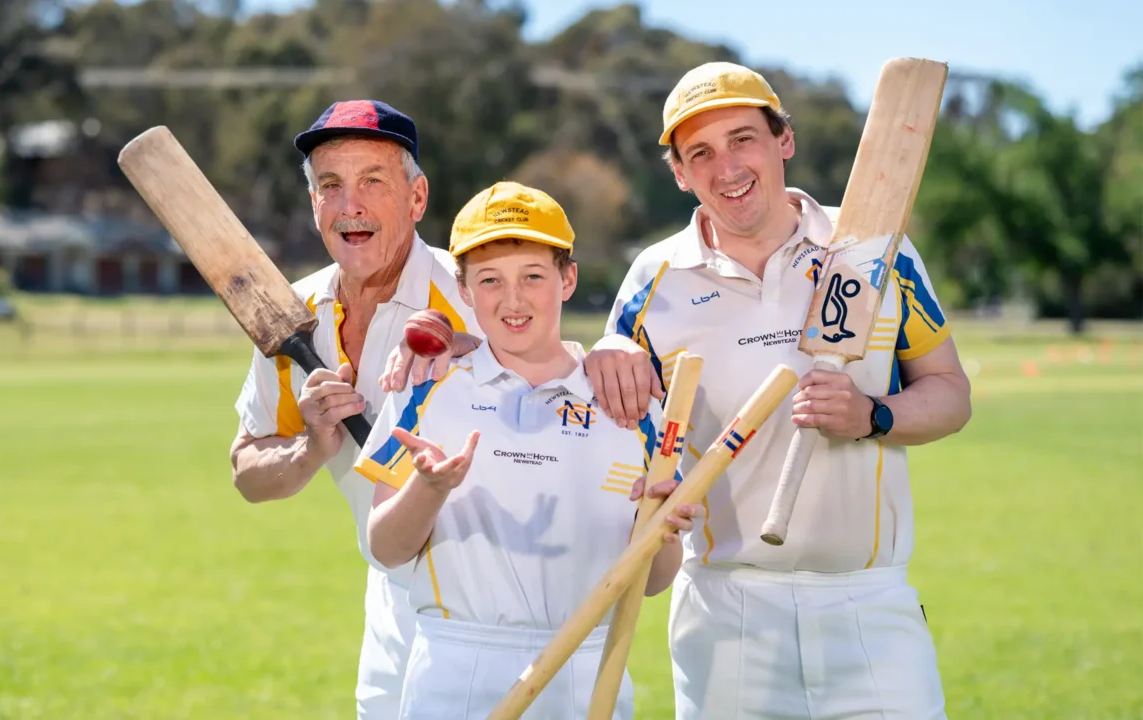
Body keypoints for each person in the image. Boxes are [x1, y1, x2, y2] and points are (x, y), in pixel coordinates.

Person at [586, 62, 974, 718]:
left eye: (743, 139)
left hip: (868, 607)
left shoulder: (876, 252)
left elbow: (950, 392)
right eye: (700, 153)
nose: (727, 167)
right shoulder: (653, 279)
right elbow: (615, 425)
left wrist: (872, 414)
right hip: (727, 613)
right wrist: (605, 354)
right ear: (680, 173)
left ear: (783, 141)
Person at [355, 181, 702, 719]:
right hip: (455, 673)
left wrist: (660, 530)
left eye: (533, 277)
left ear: (568, 279)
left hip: (589, 671)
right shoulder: (430, 385)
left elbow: (653, 582)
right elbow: (385, 548)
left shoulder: (627, 404)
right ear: (465, 291)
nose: (512, 301)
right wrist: (429, 489)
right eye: (490, 280)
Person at [229, 99, 479, 719]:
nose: (350, 206)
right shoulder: (292, 314)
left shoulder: (475, 294)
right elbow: (248, 472)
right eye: (330, 186)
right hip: (392, 599)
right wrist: (312, 447)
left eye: (373, 181)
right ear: (314, 203)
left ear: (417, 198)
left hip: (492, 602)